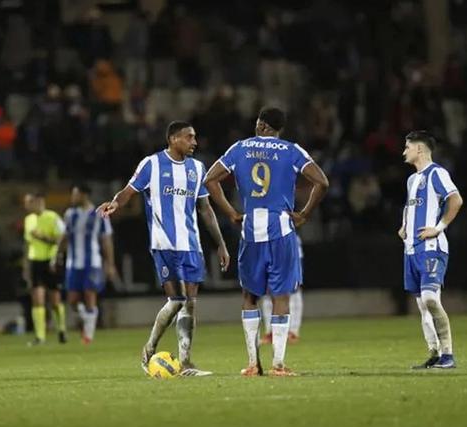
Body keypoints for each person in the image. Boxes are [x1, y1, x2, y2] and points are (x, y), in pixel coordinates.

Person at [204, 107, 329, 377]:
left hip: (250, 229)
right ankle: (278, 365)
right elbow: (322, 182)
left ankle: (252, 364)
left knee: (250, 295)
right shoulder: (291, 150)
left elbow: (210, 179)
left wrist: (231, 213)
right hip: (281, 228)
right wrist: (304, 214)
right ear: (279, 129)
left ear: (261, 125)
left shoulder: (239, 148)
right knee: (280, 296)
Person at [99, 120, 229, 377]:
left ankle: (186, 363)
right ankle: (149, 347)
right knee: (177, 300)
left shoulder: (197, 168)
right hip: (164, 244)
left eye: (195, 137)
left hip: (192, 246)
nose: (194, 142)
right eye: (189, 137)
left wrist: (221, 243)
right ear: (172, 139)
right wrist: (116, 203)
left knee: (190, 303)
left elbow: (205, 209)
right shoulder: (152, 164)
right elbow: (129, 190)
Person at [398, 130, 463, 369]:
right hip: (411, 249)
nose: (404, 151)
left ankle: (449, 354)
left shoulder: (437, 173)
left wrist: (438, 228)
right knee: (422, 304)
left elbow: (456, 200)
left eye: (407, 147)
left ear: (420, 149)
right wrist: (404, 226)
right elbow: (410, 206)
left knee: (430, 298)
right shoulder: (412, 179)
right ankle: (434, 353)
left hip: (431, 247)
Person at [58, 184, 117, 345]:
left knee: (90, 295)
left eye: (75, 194)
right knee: (72, 300)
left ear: (84, 195)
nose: (73, 198)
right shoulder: (70, 214)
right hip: (73, 262)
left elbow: (106, 240)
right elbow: (65, 236)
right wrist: (57, 253)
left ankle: (88, 335)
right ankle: (88, 318)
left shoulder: (99, 214)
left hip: (92, 262)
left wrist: (110, 264)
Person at [22, 193, 66, 345]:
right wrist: (26, 265)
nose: (29, 206)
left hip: (51, 261)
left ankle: (61, 330)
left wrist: (44, 237)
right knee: (37, 300)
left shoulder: (53, 217)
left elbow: (61, 239)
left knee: (54, 300)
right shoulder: (28, 220)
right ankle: (40, 337)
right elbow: (28, 243)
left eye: (31, 202)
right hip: (35, 261)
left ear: (40, 202)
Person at [259, 234, 304, 344]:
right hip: (271, 267)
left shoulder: (292, 236)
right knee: (267, 297)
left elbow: (298, 258)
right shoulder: (264, 234)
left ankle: (292, 331)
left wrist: (297, 273)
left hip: (288, 267)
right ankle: (270, 332)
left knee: (292, 295)